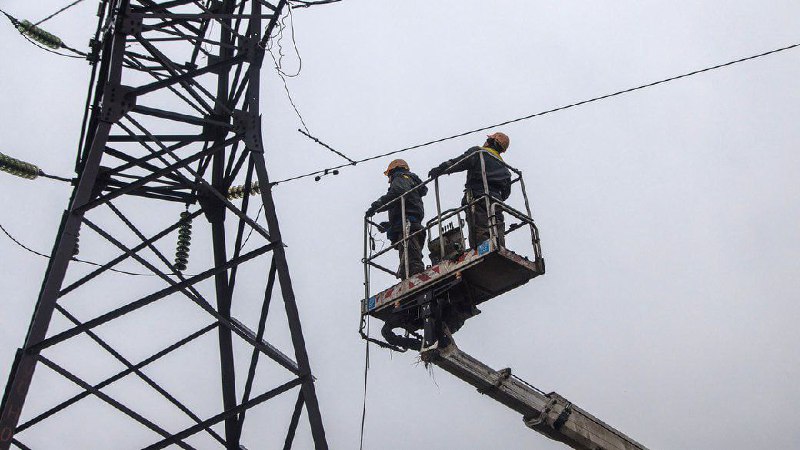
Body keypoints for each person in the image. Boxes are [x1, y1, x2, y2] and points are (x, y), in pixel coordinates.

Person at [428, 132, 512, 249]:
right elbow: (507, 191)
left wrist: (441, 169)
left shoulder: (479, 153)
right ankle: (499, 248)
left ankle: (483, 250)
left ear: (491, 142)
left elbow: (460, 162)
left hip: (478, 197)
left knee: (480, 227)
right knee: (497, 227)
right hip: (496, 200)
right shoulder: (504, 167)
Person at [366, 159, 428, 279]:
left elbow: (398, 193)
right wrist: (390, 225)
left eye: (389, 174)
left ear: (393, 170)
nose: (389, 178)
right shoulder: (410, 183)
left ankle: (415, 279)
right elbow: (406, 207)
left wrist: (377, 205)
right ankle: (410, 277)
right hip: (410, 225)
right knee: (409, 263)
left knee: (413, 265)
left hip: (408, 227)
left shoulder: (399, 177)